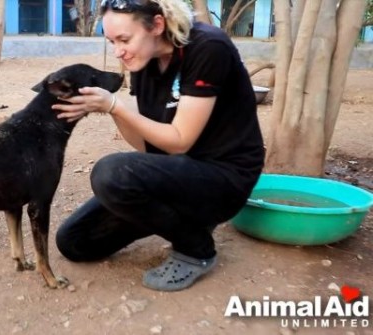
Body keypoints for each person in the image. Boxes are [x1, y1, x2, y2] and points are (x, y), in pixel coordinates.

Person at [51, 0, 265, 291]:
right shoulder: (143, 62)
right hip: (180, 174)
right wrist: (112, 110)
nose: (118, 51)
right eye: (112, 41)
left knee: (111, 173)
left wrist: (116, 106)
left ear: (157, 25)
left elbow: (179, 141)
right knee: (75, 242)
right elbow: (148, 145)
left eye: (124, 39)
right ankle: (189, 220)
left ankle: (196, 248)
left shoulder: (208, 47)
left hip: (224, 177)